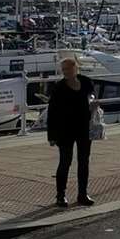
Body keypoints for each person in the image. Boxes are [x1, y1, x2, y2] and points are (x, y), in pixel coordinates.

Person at [47, 55, 96, 207]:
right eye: (63, 69)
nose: (65, 72)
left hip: (84, 128)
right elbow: (52, 112)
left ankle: (83, 194)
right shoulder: (59, 88)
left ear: (76, 68)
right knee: (65, 162)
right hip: (64, 130)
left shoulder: (86, 82)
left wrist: (94, 104)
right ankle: (60, 195)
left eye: (68, 68)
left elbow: (91, 97)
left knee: (84, 162)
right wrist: (52, 136)